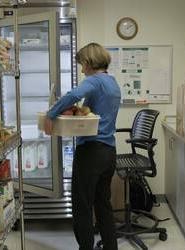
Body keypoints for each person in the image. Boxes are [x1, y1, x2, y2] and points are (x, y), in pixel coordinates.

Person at [44, 42, 121, 250]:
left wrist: (51, 115)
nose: (81, 69)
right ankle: (110, 247)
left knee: (82, 205)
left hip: (91, 153)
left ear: (88, 62)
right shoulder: (112, 82)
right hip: (108, 152)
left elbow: (72, 95)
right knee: (103, 204)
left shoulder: (95, 81)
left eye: (82, 64)